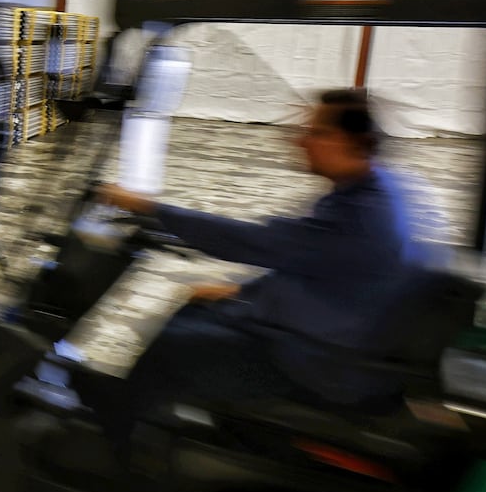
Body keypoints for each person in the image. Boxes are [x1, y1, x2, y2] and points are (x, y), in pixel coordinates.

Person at [93, 88, 437, 436]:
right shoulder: (372, 191)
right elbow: (311, 261)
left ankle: (116, 444)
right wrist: (241, 290)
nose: (301, 141)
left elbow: (257, 243)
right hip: (330, 333)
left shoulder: (360, 216)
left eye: (318, 133)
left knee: (170, 346)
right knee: (192, 310)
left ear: (356, 142)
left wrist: (149, 207)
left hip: (319, 363)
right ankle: (162, 424)